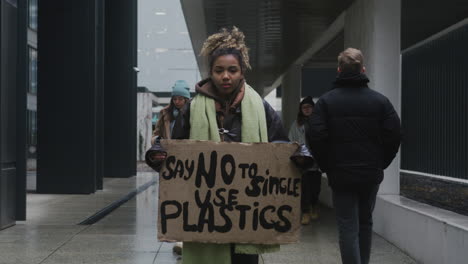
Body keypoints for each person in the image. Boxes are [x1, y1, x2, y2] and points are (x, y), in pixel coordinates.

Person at [147, 27, 295, 264]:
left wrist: (297, 156)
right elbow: (173, 150)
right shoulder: (192, 109)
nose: (226, 76)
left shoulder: (260, 106)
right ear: (211, 72)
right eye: (219, 70)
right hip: (205, 211)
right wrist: (158, 154)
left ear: (241, 72)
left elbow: (280, 145)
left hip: (247, 210)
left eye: (232, 70)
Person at [306, 48, 401, 264]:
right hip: (370, 173)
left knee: (347, 226)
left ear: (339, 70)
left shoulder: (326, 102)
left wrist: (327, 165)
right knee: (365, 223)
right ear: (363, 69)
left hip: (341, 175)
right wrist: (381, 162)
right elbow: (395, 134)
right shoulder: (381, 102)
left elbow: (315, 135)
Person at [152, 80, 191, 255]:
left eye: (181, 98)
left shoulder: (193, 113)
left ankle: (184, 239)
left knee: (188, 199)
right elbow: (156, 134)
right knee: (173, 200)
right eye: (175, 98)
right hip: (170, 162)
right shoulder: (165, 113)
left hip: (188, 162)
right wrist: (158, 142)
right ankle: (178, 237)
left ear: (186, 99)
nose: (177, 101)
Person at [288, 96, 322, 225]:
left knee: (315, 188)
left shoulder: (319, 122)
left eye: (309, 107)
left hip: (317, 162)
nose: (307, 110)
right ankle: (306, 212)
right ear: (300, 109)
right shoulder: (297, 123)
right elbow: (291, 139)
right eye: (304, 107)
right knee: (305, 189)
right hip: (303, 162)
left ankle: (314, 206)